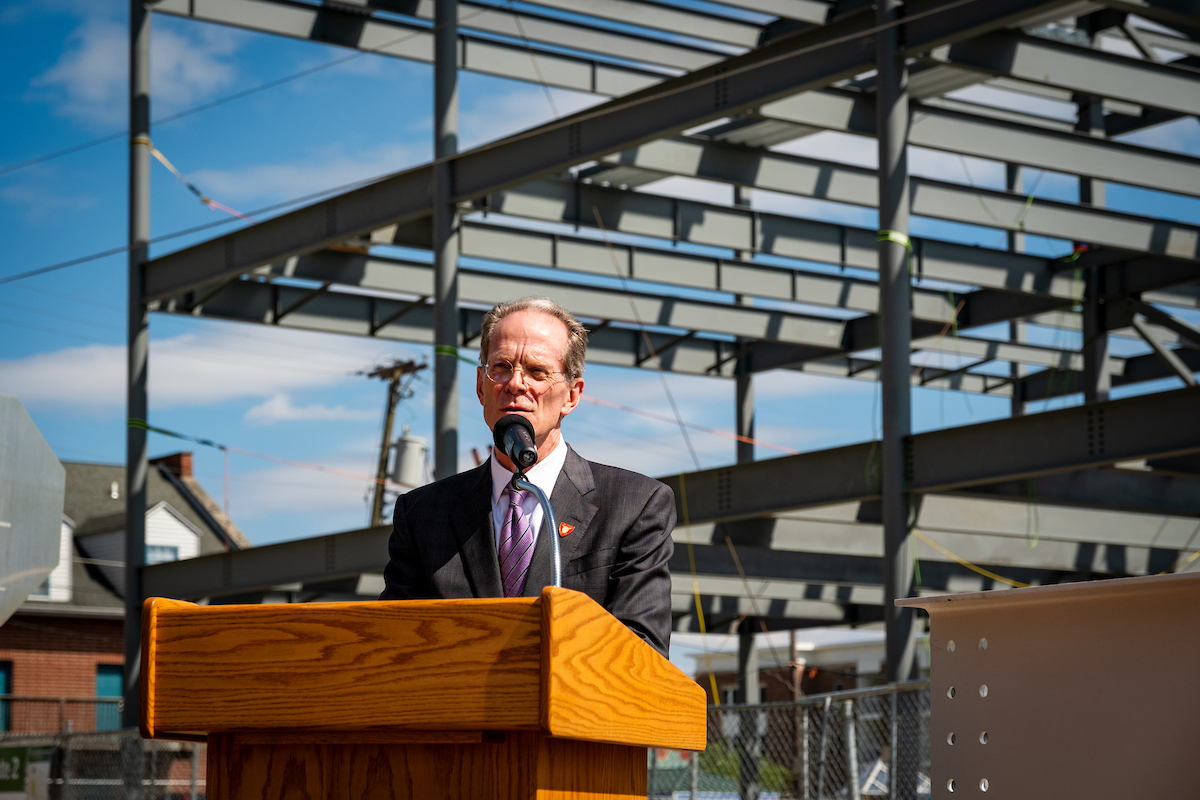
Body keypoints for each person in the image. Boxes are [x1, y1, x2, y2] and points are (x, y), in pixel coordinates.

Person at [381, 297, 675, 656]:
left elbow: (641, 652)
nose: (515, 384)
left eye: (537, 371)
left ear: (572, 395)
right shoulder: (422, 513)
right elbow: (392, 646)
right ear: (480, 386)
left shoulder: (635, 504)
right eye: (501, 367)